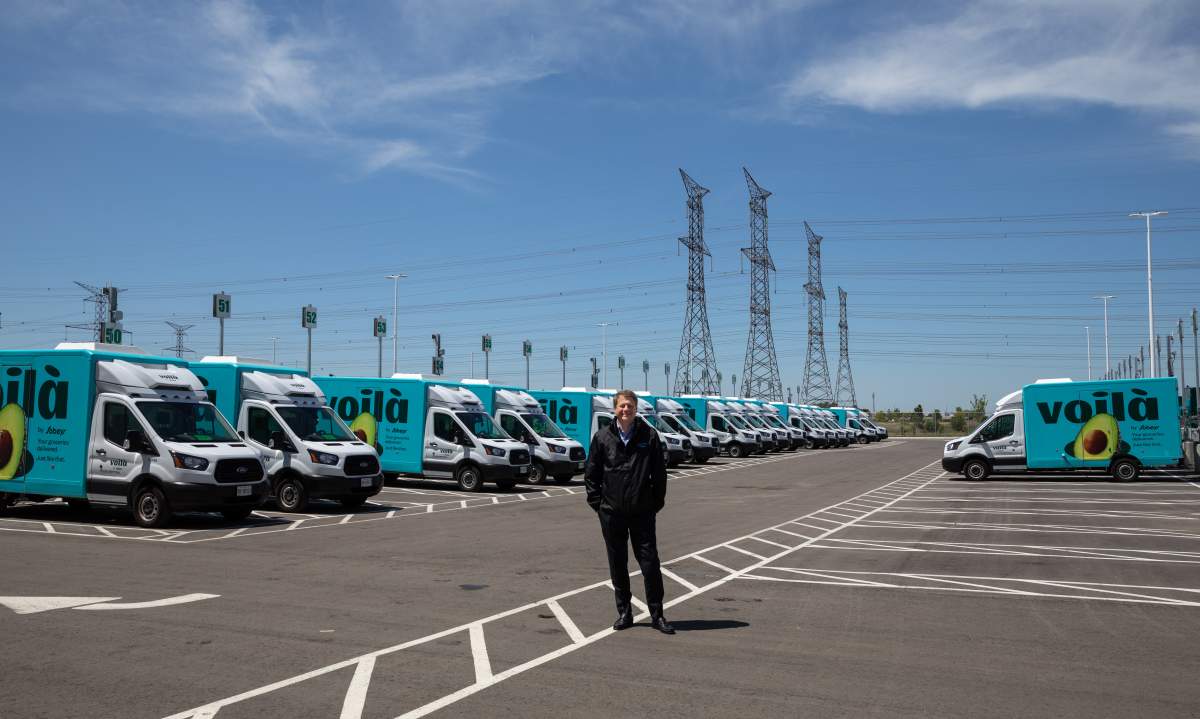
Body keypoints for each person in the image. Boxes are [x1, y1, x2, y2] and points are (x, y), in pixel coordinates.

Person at [584, 389, 673, 634]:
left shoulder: (649, 436)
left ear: (636, 410)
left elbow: (660, 474)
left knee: (650, 563)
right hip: (612, 513)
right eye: (622, 406)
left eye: (630, 407)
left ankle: (657, 614)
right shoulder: (602, 438)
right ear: (615, 408)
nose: (626, 410)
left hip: (642, 512)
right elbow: (591, 475)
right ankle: (624, 612)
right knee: (618, 563)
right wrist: (599, 506)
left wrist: (655, 503)